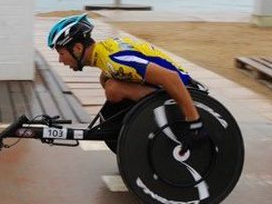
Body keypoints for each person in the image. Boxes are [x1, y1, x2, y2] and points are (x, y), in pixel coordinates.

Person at [47, 14, 206, 153]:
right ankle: (136, 127)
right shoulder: (104, 54)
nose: (60, 60)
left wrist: (194, 122)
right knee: (107, 82)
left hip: (184, 90)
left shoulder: (115, 60)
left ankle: (149, 125)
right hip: (165, 89)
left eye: (61, 54)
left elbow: (171, 78)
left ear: (77, 48)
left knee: (113, 87)